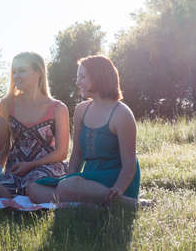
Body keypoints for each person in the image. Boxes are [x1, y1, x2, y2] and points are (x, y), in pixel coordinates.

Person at [28, 55, 140, 205]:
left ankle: (123, 202)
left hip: (116, 179)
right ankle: (86, 203)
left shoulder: (122, 114)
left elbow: (129, 163)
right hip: (89, 177)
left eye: (82, 76)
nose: (77, 82)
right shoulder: (82, 110)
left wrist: (118, 188)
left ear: (98, 77)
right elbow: (77, 154)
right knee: (34, 187)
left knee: (66, 187)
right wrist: (70, 180)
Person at [0, 52, 69, 198]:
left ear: (38, 72)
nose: (16, 76)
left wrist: (30, 165)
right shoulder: (6, 104)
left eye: (22, 70)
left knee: (34, 189)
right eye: (14, 72)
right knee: (0, 190)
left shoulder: (57, 108)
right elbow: (3, 145)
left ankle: (75, 198)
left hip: (46, 166)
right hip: (16, 168)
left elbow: (61, 153)